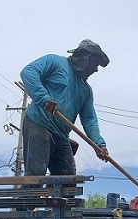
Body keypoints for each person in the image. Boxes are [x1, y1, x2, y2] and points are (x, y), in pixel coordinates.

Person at [20, 39, 110, 177]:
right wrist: (44, 98)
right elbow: (28, 72)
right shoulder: (55, 62)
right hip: (39, 124)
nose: (96, 69)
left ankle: (56, 199)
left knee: (68, 180)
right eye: (95, 64)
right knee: (36, 176)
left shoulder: (86, 90)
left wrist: (98, 144)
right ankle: (30, 197)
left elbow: (89, 119)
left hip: (61, 135)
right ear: (85, 58)